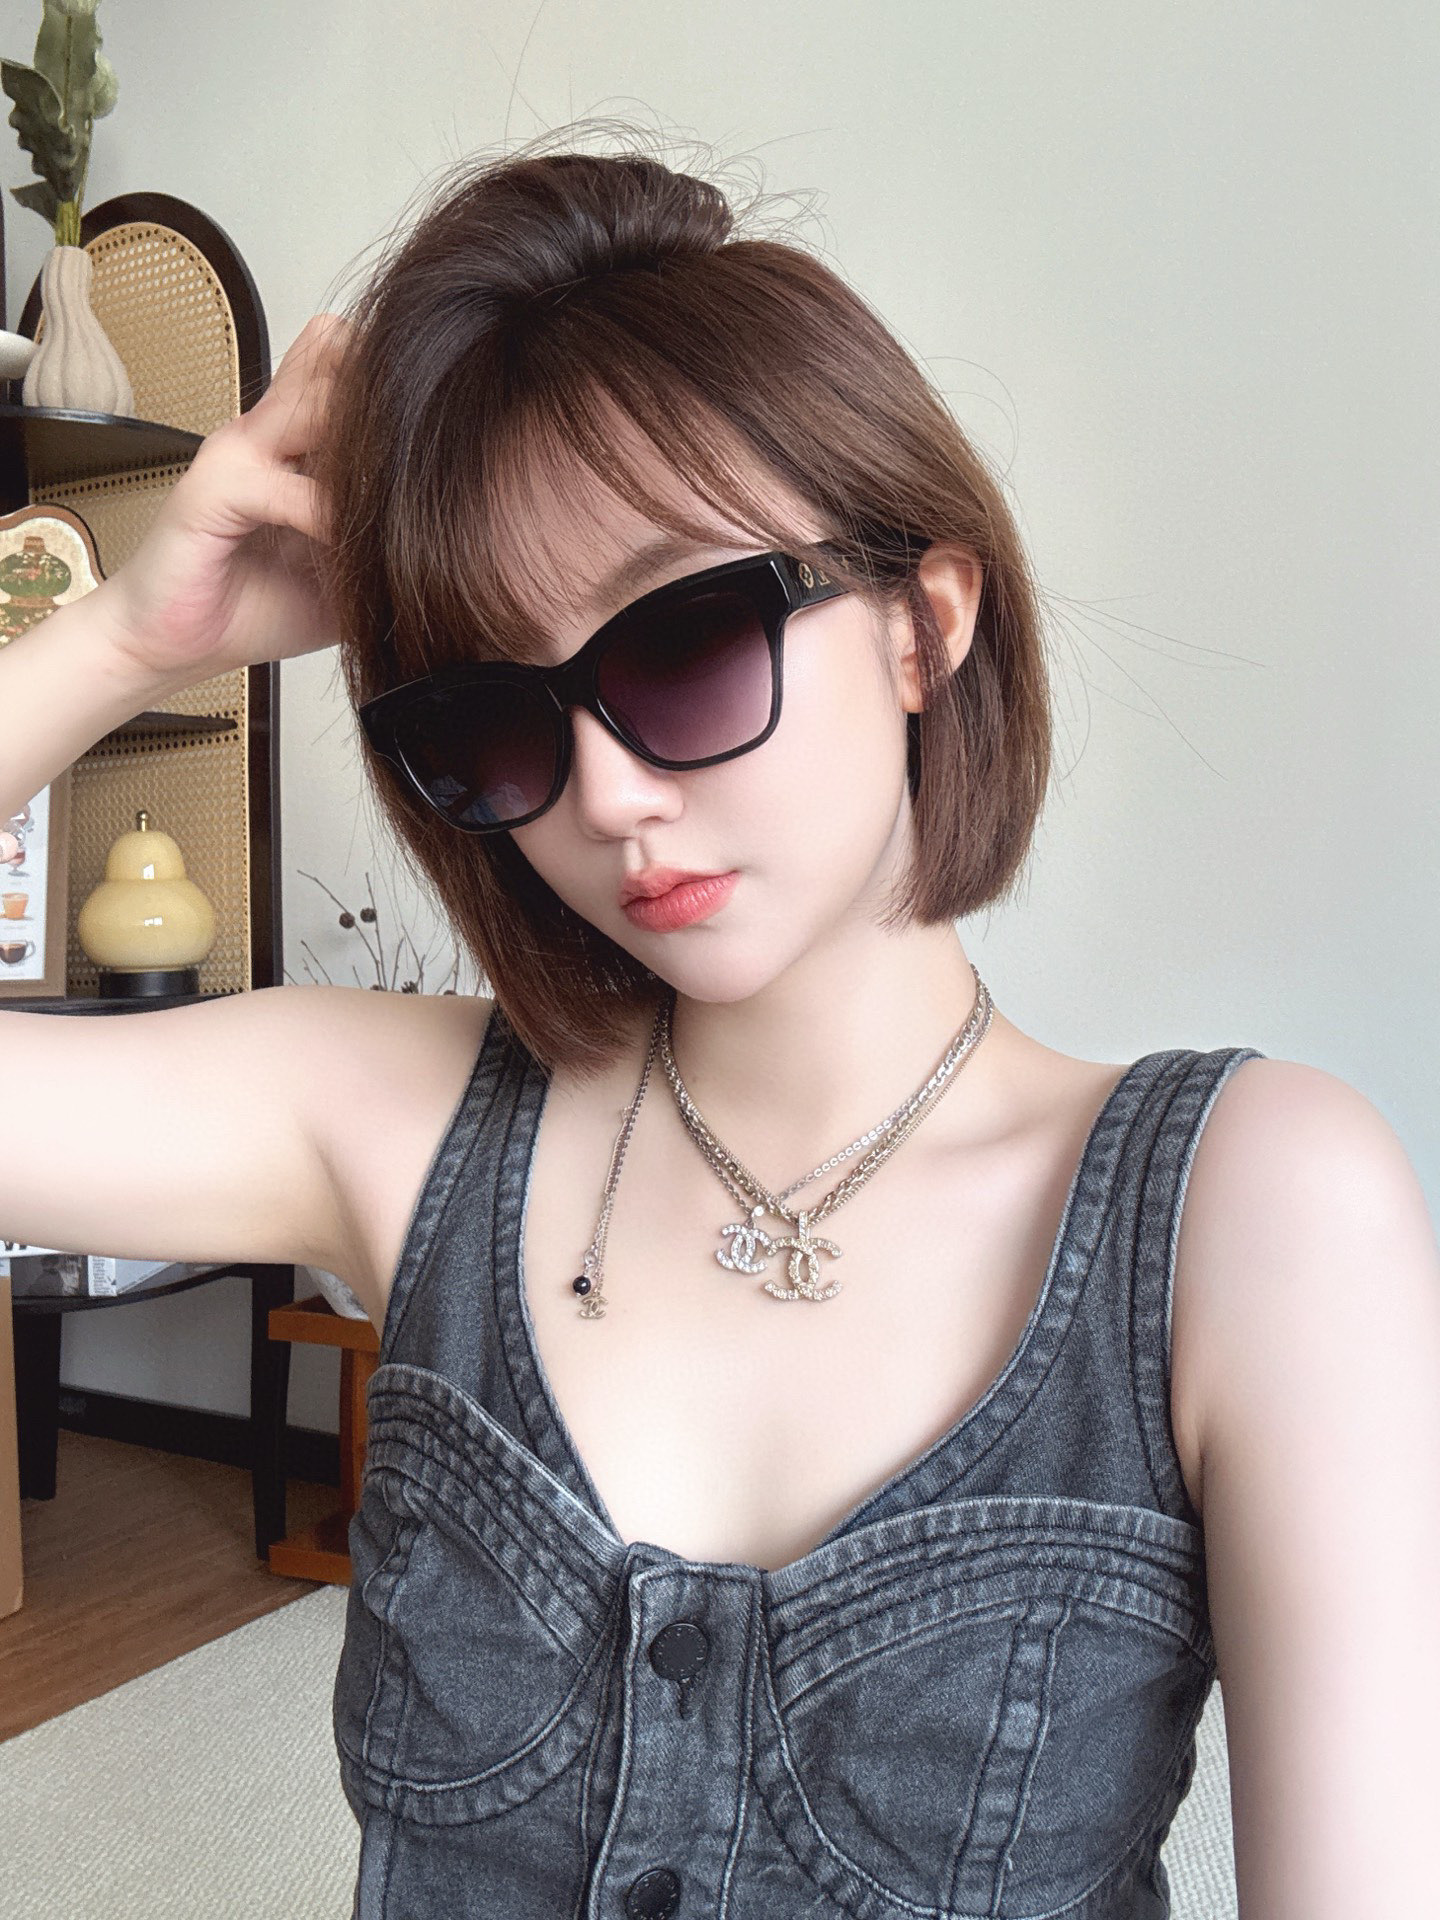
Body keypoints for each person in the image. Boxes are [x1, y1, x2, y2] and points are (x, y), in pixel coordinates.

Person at [2, 128, 1437, 1919]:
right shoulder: (395, 1116)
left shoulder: (1255, 1209)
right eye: (497, 724)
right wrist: (135, 635)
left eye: (682, 647)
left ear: (924, 625)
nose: (605, 796)